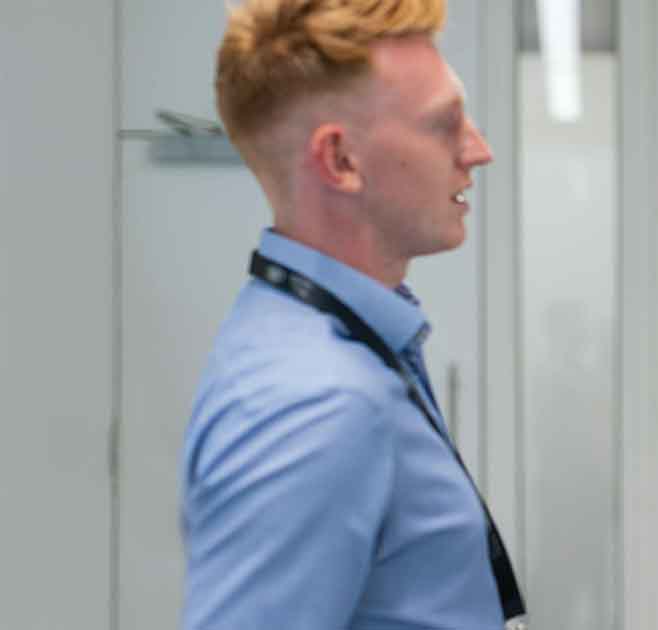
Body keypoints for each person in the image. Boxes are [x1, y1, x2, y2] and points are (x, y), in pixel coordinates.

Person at [179, 1, 524, 627]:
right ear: (340, 161)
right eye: (445, 123)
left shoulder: (335, 343)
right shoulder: (312, 403)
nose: (478, 150)